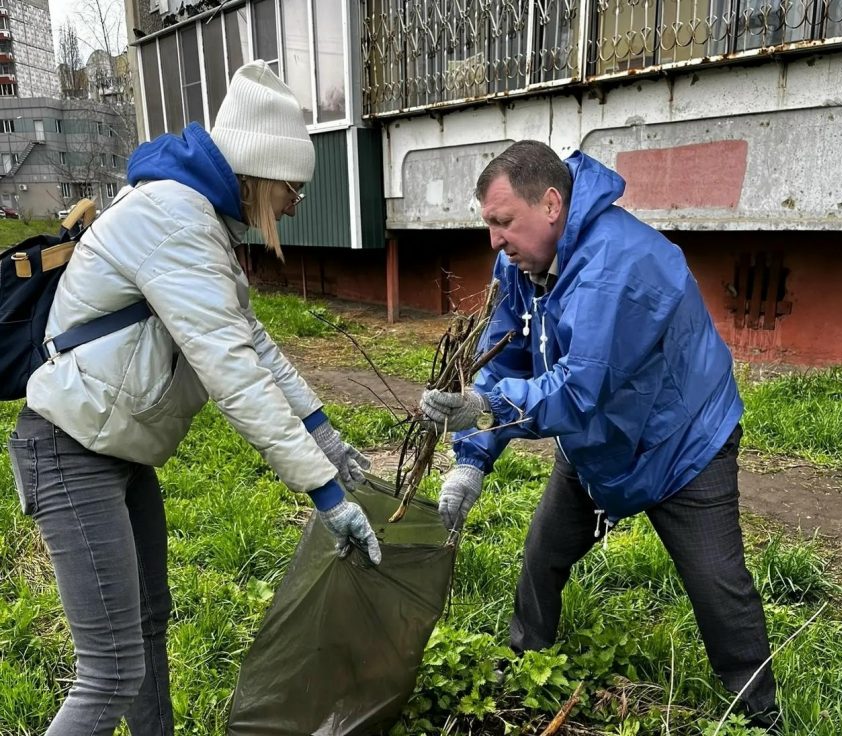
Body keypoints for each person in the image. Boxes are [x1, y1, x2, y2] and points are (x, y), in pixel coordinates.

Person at [6, 60, 380, 736]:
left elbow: (253, 341)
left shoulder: (196, 218)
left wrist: (323, 433)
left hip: (113, 446)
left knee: (148, 627)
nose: (296, 202)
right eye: (294, 186)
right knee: (110, 671)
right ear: (262, 174)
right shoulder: (175, 218)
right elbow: (232, 373)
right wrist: (325, 494)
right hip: (69, 448)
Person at [420, 140, 779, 729]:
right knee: (543, 555)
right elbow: (504, 359)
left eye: (503, 222)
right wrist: (471, 460)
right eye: (489, 225)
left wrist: (485, 407)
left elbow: (580, 388)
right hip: (597, 442)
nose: (495, 241)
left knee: (718, 585)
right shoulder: (520, 263)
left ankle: (759, 714)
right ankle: (524, 663)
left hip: (680, 444)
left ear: (553, 204)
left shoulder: (620, 265)